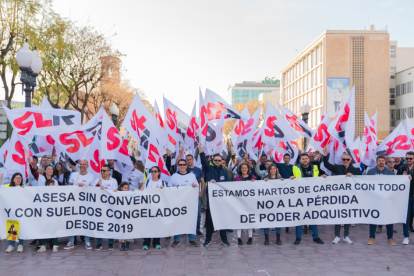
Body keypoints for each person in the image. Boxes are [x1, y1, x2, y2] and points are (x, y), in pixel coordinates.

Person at [323, 147, 359, 245]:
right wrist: (325, 155)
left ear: (350, 160)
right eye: (344, 159)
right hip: (338, 196)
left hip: (349, 197)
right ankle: (337, 236)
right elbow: (327, 165)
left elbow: (360, 180)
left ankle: (346, 236)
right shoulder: (337, 167)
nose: (345, 161)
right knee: (338, 216)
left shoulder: (355, 169)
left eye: (347, 159)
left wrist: (354, 176)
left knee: (347, 216)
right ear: (341, 160)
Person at [290, 153, 327, 245]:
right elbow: (289, 180)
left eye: (306, 158)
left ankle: (315, 237)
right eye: (303, 159)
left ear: (309, 159)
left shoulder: (315, 168)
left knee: (313, 217)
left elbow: (323, 175)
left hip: (312, 197)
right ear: (300, 160)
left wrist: (324, 176)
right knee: (299, 217)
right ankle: (298, 237)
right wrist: (290, 178)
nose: (305, 160)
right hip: (300, 198)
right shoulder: (295, 168)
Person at [198, 143, 231, 247]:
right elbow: (203, 162)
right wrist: (201, 152)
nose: (217, 162)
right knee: (209, 221)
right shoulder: (209, 169)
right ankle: (208, 239)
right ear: (212, 161)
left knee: (222, 220)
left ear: (222, 162)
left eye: (219, 160)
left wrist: (217, 183)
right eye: (215, 160)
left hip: (221, 201)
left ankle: (224, 239)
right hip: (211, 200)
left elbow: (227, 183)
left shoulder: (224, 172)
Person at [64, 159, 96, 250]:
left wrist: (85, 187)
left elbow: (93, 190)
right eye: (80, 164)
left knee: (86, 221)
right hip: (74, 202)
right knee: (72, 221)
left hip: (86, 203)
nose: (82, 165)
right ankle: (71, 241)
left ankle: (87, 241)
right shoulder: (74, 175)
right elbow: (69, 187)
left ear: (87, 166)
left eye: (84, 164)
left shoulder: (91, 176)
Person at [367, 156, 396, 246]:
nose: (381, 162)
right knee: (373, 218)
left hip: (387, 199)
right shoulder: (371, 172)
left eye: (383, 161)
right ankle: (371, 238)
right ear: (376, 162)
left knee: (389, 219)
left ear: (385, 162)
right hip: (374, 199)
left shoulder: (390, 173)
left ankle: (390, 238)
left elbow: (395, 185)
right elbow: (366, 184)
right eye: (379, 161)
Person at [169, 159, 199, 247]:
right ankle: (176, 240)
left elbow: (196, 186)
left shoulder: (192, 176)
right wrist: (173, 188)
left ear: (186, 166)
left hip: (189, 203)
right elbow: (169, 189)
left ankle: (191, 239)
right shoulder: (174, 176)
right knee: (177, 220)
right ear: (178, 166)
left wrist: (195, 186)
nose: (182, 166)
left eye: (183, 164)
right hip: (177, 203)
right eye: (180, 165)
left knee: (190, 220)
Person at [177, 148, 206, 237]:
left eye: (190, 159)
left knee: (197, 213)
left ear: (193, 160)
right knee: (184, 213)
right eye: (187, 160)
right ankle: (184, 230)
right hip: (184, 196)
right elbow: (177, 162)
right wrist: (181, 152)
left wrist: (201, 193)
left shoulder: (198, 170)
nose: (188, 161)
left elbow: (202, 182)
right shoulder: (182, 169)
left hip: (195, 195)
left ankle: (197, 229)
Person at [93, 165, 118, 250]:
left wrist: (104, 188)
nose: (102, 172)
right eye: (101, 170)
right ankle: (99, 243)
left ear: (109, 172)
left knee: (110, 224)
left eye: (104, 170)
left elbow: (114, 192)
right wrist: (98, 185)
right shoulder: (97, 180)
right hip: (99, 206)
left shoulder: (114, 181)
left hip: (109, 206)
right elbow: (92, 192)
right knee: (99, 224)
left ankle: (110, 243)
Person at [142, 166, 168, 250]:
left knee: (157, 226)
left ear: (158, 173)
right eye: (152, 171)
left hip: (158, 208)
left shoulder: (163, 183)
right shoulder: (147, 182)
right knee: (147, 226)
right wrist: (142, 189)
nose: (153, 172)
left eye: (155, 171)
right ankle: (146, 243)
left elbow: (167, 195)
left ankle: (156, 242)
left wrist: (164, 190)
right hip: (148, 208)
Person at [0, 173, 25, 253]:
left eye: (20, 178)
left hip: (21, 211)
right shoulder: (7, 186)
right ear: (13, 179)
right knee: (12, 227)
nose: (18, 179)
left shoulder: (24, 187)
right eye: (16, 177)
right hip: (11, 211)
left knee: (21, 228)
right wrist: (0, 179)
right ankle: (11, 245)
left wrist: (27, 189)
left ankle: (20, 245)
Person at [234, 163, 256, 245]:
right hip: (240, 202)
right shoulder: (236, 178)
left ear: (248, 169)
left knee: (249, 219)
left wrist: (254, 183)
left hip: (249, 202)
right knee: (239, 219)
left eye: (245, 168)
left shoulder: (253, 178)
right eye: (242, 168)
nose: (244, 169)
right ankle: (239, 237)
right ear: (240, 169)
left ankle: (250, 237)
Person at [263, 164, 284, 245]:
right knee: (266, 220)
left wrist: (285, 181)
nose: (272, 170)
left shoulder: (280, 178)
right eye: (271, 169)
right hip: (267, 203)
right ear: (269, 170)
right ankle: (266, 238)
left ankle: (278, 238)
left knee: (278, 220)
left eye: (274, 169)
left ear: (276, 170)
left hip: (277, 203)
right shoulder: (265, 178)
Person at [37, 179, 59, 253]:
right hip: (45, 215)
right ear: (47, 185)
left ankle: (55, 245)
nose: (53, 186)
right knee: (45, 229)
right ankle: (43, 245)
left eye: (54, 184)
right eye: (51, 184)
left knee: (54, 229)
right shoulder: (43, 192)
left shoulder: (57, 192)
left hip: (54, 214)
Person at [397, 152, 414, 245]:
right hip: (405, 197)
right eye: (407, 158)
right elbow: (396, 182)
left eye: (410, 158)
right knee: (405, 218)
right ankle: (406, 236)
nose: (408, 160)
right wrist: (402, 178)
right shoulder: (401, 168)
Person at [115, 182, 135, 251]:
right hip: (121, 215)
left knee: (128, 230)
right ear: (121, 188)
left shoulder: (130, 194)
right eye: (125, 188)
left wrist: (134, 192)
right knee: (122, 230)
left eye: (127, 188)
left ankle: (127, 244)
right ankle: (123, 244)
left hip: (128, 214)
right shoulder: (118, 194)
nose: (126, 189)